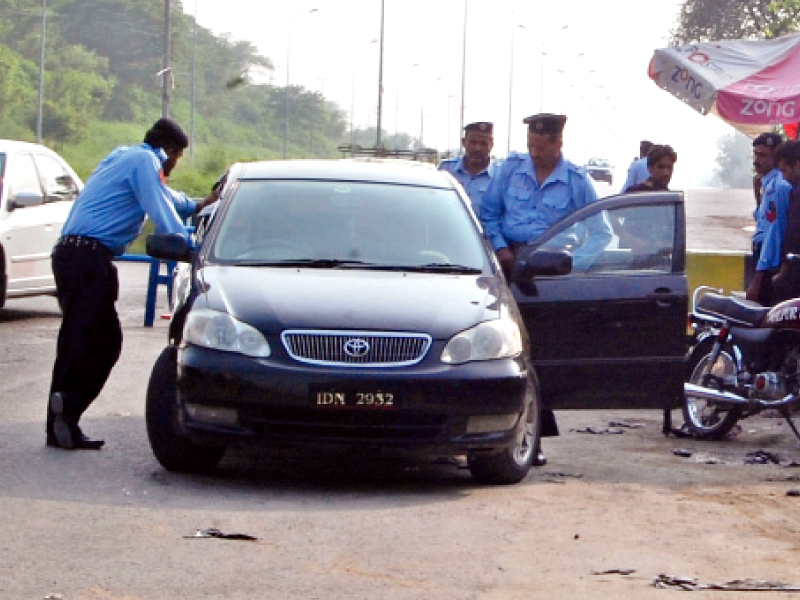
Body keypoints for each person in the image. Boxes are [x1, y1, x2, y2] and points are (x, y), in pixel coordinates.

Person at [46, 117, 220, 450]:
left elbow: (167, 197)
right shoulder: (146, 162)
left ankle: (61, 417)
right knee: (104, 342)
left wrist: (198, 203)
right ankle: (67, 406)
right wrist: (191, 248)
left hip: (71, 255)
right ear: (170, 150)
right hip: (88, 259)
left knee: (76, 340)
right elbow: (162, 211)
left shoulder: (123, 156)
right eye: (177, 158)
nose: (173, 165)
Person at [480, 112, 605, 466]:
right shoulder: (509, 169)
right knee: (503, 349)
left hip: (549, 274)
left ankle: (532, 436)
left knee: (539, 356)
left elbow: (601, 233)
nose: (535, 152)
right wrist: (502, 248)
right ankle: (496, 433)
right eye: (531, 145)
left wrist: (572, 266)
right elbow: (488, 213)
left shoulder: (577, 180)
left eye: (542, 146)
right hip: (509, 265)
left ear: (558, 143)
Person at [745, 133, 791, 305]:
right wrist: (758, 195)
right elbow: (763, 220)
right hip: (763, 256)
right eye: (755, 154)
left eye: (763, 155)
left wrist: (758, 277)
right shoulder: (767, 183)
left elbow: (773, 232)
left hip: (769, 262)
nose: (757, 160)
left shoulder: (779, 186)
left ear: (777, 158)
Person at [438, 121, 497, 216]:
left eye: (483, 144)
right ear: (463, 142)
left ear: (491, 145)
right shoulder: (446, 169)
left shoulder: (499, 175)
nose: (477, 148)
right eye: (473, 142)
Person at [770, 140, 800, 304]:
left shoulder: (797, 193)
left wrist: (783, 272)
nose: (784, 177)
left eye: (785, 171)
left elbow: (794, 237)